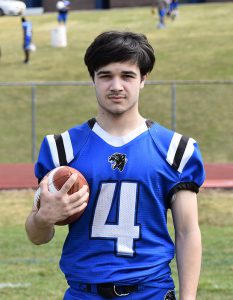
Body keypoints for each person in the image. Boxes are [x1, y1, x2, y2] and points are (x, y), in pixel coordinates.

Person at [25, 31, 205, 300]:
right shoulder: (62, 148)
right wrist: (44, 218)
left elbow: (187, 231)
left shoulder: (175, 150)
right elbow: (37, 235)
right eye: (106, 75)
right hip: (83, 293)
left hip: (151, 292)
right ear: (93, 79)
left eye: (127, 76)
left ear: (143, 79)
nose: (116, 86)